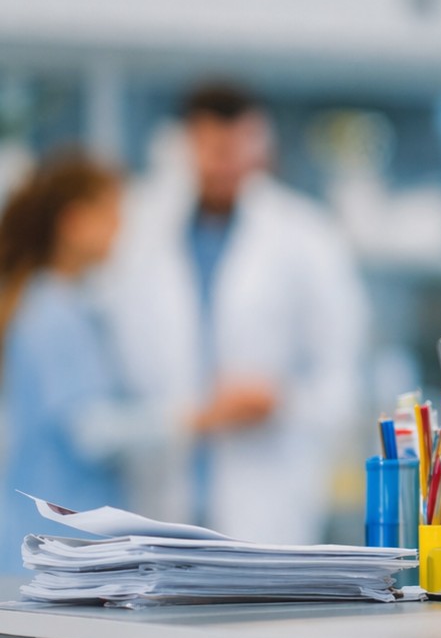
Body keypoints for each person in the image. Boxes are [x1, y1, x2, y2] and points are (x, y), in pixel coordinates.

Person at [102, 83, 369, 543]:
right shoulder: (141, 235)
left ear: (259, 145)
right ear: (185, 144)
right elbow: (118, 368)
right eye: (211, 147)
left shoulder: (306, 236)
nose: (223, 162)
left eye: (237, 146)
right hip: (161, 493)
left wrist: (280, 400)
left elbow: (342, 381)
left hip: (266, 497)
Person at [0, 153, 272, 569]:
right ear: (75, 223)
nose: (121, 228)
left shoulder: (74, 305)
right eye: (112, 215)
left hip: (70, 537)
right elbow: (90, 430)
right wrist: (201, 416)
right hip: (53, 542)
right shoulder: (51, 313)